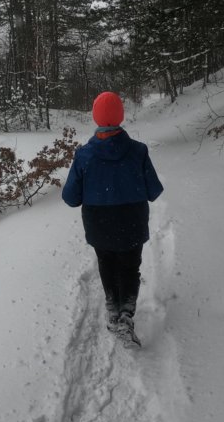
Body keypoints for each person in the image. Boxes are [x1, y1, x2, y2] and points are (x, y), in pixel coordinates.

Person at [62, 91, 164, 346]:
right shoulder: (138, 151)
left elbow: (71, 198)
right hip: (132, 221)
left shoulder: (84, 155)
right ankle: (126, 315)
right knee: (130, 268)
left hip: (99, 223)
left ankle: (113, 310)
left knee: (107, 264)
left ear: (96, 117)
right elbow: (153, 191)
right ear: (121, 115)